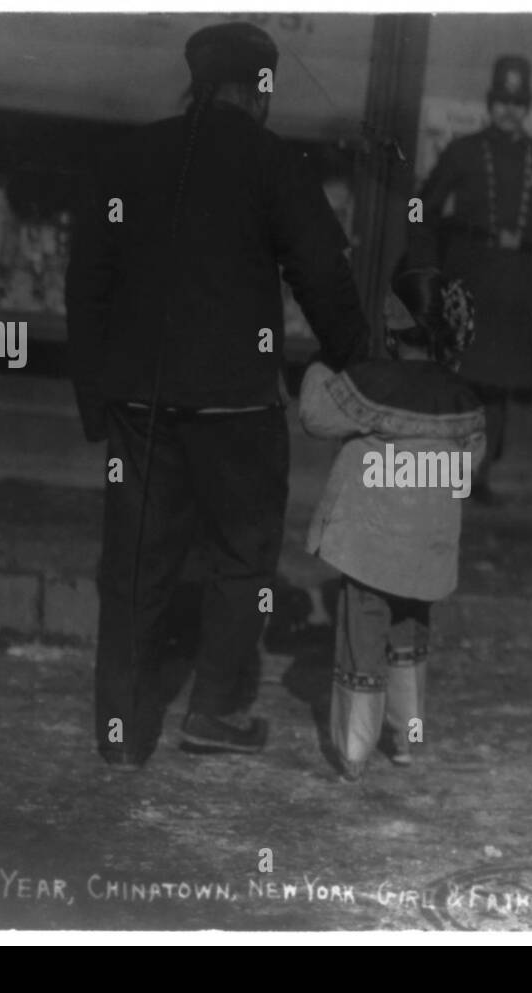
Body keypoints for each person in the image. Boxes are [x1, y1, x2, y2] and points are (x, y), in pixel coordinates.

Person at [65, 22, 370, 770]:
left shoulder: (132, 157)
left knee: (135, 562)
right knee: (241, 557)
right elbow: (323, 274)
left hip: (142, 403)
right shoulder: (273, 163)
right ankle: (215, 709)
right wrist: (357, 365)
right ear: (259, 90)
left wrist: (94, 393)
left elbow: (87, 280)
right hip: (237, 406)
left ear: (196, 84)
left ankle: (121, 727)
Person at [298, 257, 485, 781]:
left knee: (362, 637)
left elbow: (315, 415)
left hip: (370, 544)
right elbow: (468, 464)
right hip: (424, 550)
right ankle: (405, 737)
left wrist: (320, 365)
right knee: (408, 636)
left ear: (392, 328)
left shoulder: (370, 382)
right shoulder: (463, 399)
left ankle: (354, 751)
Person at [413, 55, 532, 503]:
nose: (509, 109)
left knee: (500, 384)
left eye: (518, 101)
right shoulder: (463, 151)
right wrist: (428, 269)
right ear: (490, 102)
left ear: (528, 106)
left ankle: (480, 476)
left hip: (520, 284)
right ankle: (450, 471)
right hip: (471, 275)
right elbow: (421, 210)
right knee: (462, 377)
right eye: (502, 100)